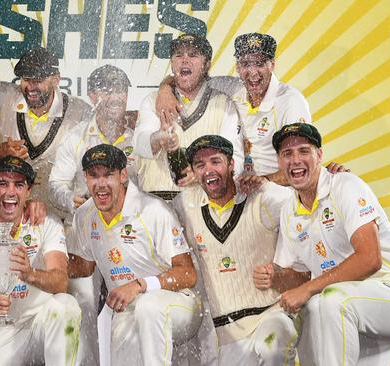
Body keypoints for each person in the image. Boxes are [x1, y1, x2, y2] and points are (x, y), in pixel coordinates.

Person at [270, 123, 390, 364]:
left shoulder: (345, 185)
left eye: (304, 151)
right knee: (310, 309)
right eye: (287, 154)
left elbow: (370, 259)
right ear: (279, 162)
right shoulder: (289, 211)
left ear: (320, 155)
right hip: (352, 309)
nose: (295, 160)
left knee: (329, 299)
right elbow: (301, 277)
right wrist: (275, 277)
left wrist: (309, 288)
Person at [69, 144, 203, 366]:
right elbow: (82, 267)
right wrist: (36, 261)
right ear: (85, 178)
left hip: (180, 303)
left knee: (148, 306)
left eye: (108, 175)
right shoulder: (85, 214)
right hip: (127, 310)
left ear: (123, 175)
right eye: (93, 176)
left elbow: (188, 274)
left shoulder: (152, 210)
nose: (100, 184)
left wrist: (140, 285)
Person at [173, 135, 300, 365]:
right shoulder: (186, 205)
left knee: (272, 345)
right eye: (200, 165)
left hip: (270, 314)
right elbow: (150, 217)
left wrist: (331, 177)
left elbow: (305, 197)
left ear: (231, 164)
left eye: (215, 161)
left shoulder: (261, 195)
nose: (208, 170)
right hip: (226, 332)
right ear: (193, 171)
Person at [0, 156, 81, 366]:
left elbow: (61, 283)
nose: (10, 192)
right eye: (3, 183)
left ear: (28, 190)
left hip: (39, 325)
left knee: (66, 306)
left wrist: (30, 274)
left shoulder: (46, 223)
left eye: (19, 185)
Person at [49, 65, 136, 365]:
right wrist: (74, 200)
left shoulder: (139, 135)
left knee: (129, 306)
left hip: (129, 238)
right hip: (85, 234)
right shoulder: (75, 138)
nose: (115, 97)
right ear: (92, 95)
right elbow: (56, 184)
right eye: (107, 90)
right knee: (84, 302)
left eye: (121, 90)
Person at [158, 33, 312, 184]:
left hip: (278, 195)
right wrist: (164, 89)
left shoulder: (290, 101)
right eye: (245, 64)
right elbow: (193, 78)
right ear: (238, 67)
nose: (252, 72)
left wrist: (263, 181)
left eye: (259, 64)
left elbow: (304, 164)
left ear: (272, 65)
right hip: (238, 192)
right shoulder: (232, 87)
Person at [0, 47, 93, 219]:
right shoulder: (3, 98)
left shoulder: (80, 112)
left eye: (37, 80)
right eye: (25, 79)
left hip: (61, 217)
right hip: (12, 215)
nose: (30, 87)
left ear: (56, 80)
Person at [132, 33, 243, 201]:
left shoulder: (223, 104)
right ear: (171, 63)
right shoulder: (153, 100)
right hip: (155, 205)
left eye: (193, 55)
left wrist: (205, 172)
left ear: (206, 65)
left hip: (202, 207)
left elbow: (236, 159)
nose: (185, 60)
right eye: (178, 55)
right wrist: (158, 139)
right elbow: (140, 144)